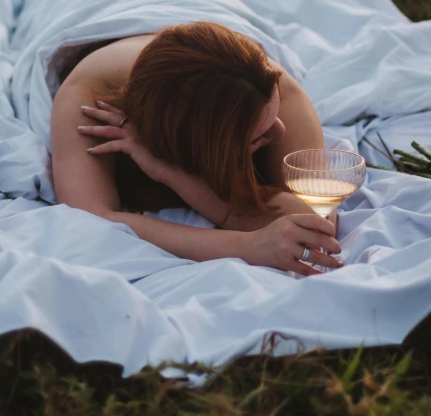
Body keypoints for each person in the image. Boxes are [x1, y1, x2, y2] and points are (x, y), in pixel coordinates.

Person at [51, 21, 343, 277]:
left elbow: (316, 220)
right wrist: (248, 246)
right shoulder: (90, 98)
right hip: (98, 20)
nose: (280, 130)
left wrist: (174, 175)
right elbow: (93, 218)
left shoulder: (262, 84)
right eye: (257, 135)